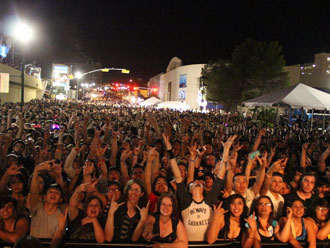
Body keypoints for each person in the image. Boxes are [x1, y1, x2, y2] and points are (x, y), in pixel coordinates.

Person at [166, 134, 235, 241]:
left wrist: (226, 151)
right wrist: (170, 151)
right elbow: (178, 176)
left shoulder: (209, 200)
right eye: (193, 183)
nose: (197, 181)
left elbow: (220, 177)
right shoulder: (185, 202)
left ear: (203, 189)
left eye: (199, 182)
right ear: (189, 190)